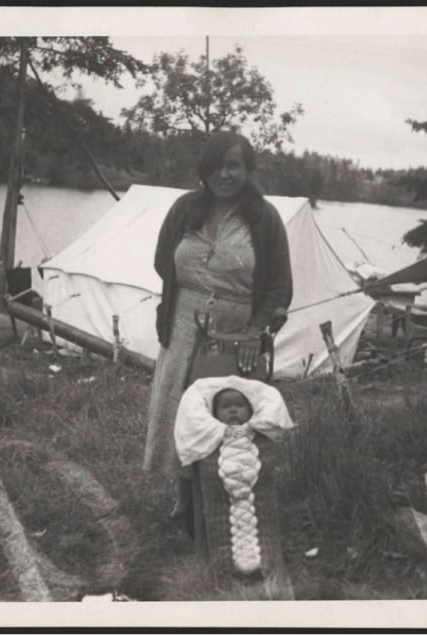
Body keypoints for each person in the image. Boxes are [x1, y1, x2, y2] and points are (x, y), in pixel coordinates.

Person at [143, 130, 293, 520]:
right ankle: (185, 502)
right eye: (217, 165)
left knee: (226, 412)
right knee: (181, 409)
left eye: (234, 165)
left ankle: (223, 501)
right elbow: (163, 262)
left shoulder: (264, 219)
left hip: (236, 331)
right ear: (204, 169)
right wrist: (197, 290)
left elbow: (279, 284)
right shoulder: (183, 210)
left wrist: (254, 330)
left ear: (248, 170)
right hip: (183, 325)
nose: (225, 174)